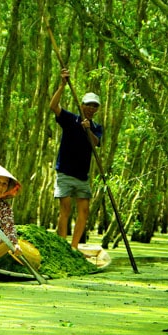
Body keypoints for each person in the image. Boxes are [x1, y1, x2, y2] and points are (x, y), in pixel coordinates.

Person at [49, 68, 104, 250]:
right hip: (65, 172)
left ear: (97, 109)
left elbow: (96, 143)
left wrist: (88, 129)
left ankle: (74, 248)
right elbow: (53, 106)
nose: (91, 108)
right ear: (82, 105)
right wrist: (63, 85)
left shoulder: (96, 127)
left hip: (83, 177)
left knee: (84, 212)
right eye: (88, 104)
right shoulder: (70, 119)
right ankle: (62, 247)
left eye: (94, 106)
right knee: (64, 210)